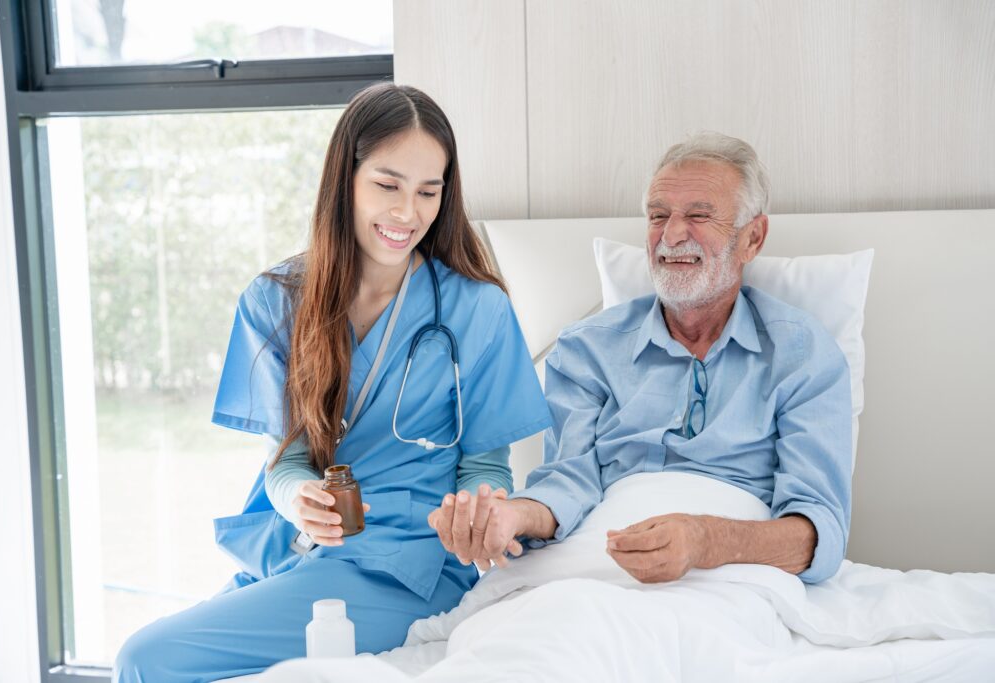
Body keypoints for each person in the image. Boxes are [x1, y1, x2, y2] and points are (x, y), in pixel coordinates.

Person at [114, 83, 551, 682]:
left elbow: (485, 467)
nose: (408, 214)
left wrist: (480, 513)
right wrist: (300, 501)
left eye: (428, 192)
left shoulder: (477, 310)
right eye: (388, 186)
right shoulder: (275, 302)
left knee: (145, 659)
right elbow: (286, 462)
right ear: (344, 179)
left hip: (408, 568)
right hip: (302, 553)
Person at [430, 132, 852, 586]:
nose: (671, 235)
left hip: (733, 574)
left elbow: (819, 533)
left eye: (698, 216)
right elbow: (566, 484)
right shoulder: (586, 350)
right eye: (658, 216)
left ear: (753, 238)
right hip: (599, 562)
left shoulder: (802, 353)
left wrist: (706, 541)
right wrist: (511, 517)